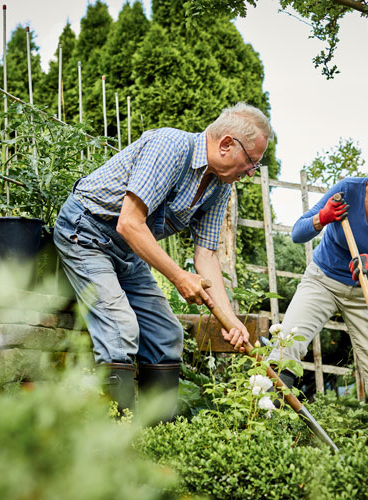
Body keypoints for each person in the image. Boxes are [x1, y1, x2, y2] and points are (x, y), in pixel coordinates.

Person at [54, 103, 273, 416]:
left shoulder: (219, 187)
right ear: (226, 144)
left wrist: (230, 319)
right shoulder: (171, 146)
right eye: (251, 162)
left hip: (127, 250)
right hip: (87, 233)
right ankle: (117, 435)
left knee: (166, 335)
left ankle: (157, 438)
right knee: (120, 330)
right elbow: (129, 223)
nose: (250, 172)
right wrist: (179, 277)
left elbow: (207, 255)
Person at [267, 149, 368, 401]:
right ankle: (266, 409)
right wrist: (323, 217)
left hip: (367, 292)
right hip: (323, 281)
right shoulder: (348, 190)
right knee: (287, 343)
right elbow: (298, 234)